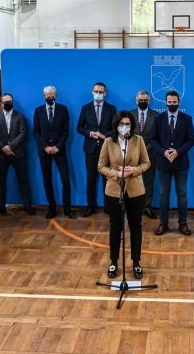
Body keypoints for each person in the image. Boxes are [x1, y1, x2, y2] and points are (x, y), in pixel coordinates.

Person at [98, 111, 151, 279]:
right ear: (116, 125)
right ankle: (114, 261)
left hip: (136, 191)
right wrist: (116, 174)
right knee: (116, 227)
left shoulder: (138, 140)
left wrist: (133, 170)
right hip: (114, 191)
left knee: (136, 227)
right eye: (122, 124)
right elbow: (101, 166)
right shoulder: (108, 142)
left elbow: (146, 163)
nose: (125, 127)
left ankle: (136, 262)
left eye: (128, 124)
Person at [151, 90, 194, 236]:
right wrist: (164, 152)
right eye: (169, 102)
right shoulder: (158, 118)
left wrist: (178, 152)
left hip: (181, 162)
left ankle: (182, 223)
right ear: (165, 103)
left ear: (179, 103)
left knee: (182, 193)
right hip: (163, 162)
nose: (171, 104)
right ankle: (163, 223)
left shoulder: (187, 119)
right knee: (163, 193)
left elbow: (191, 140)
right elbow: (153, 140)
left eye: (174, 102)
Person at [33, 85, 74, 219]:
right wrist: (45, 147)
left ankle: (67, 208)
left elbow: (66, 131)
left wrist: (58, 146)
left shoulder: (63, 109)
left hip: (59, 150)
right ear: (43, 96)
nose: (50, 99)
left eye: (52, 96)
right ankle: (52, 208)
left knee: (65, 180)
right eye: (48, 97)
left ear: (56, 96)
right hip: (44, 151)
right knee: (47, 180)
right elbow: (36, 132)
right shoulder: (38, 111)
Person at [76, 81, 116, 217]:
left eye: (101, 92)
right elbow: (79, 127)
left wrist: (104, 135)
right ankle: (90, 206)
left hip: (106, 148)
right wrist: (89, 133)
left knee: (107, 179)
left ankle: (108, 207)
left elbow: (115, 129)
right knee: (91, 179)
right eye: (96, 91)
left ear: (105, 93)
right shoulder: (85, 108)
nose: (98, 94)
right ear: (92, 92)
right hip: (90, 149)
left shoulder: (111, 109)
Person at [0, 92, 36, 216]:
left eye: (9, 102)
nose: (8, 104)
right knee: (1, 181)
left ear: (13, 102)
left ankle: (27, 205)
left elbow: (23, 133)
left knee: (23, 180)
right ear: (1, 104)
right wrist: (4, 148)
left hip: (18, 153)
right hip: (1, 155)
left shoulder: (20, 116)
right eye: (5, 102)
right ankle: (1, 206)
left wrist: (10, 146)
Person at [132, 90, 157, 219]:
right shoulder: (129, 115)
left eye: (145, 100)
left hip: (150, 153)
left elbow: (158, 136)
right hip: (132, 154)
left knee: (148, 182)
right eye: (140, 100)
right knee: (132, 181)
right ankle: (133, 208)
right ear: (136, 101)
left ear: (149, 101)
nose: (142, 102)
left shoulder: (156, 115)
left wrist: (146, 149)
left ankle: (147, 207)